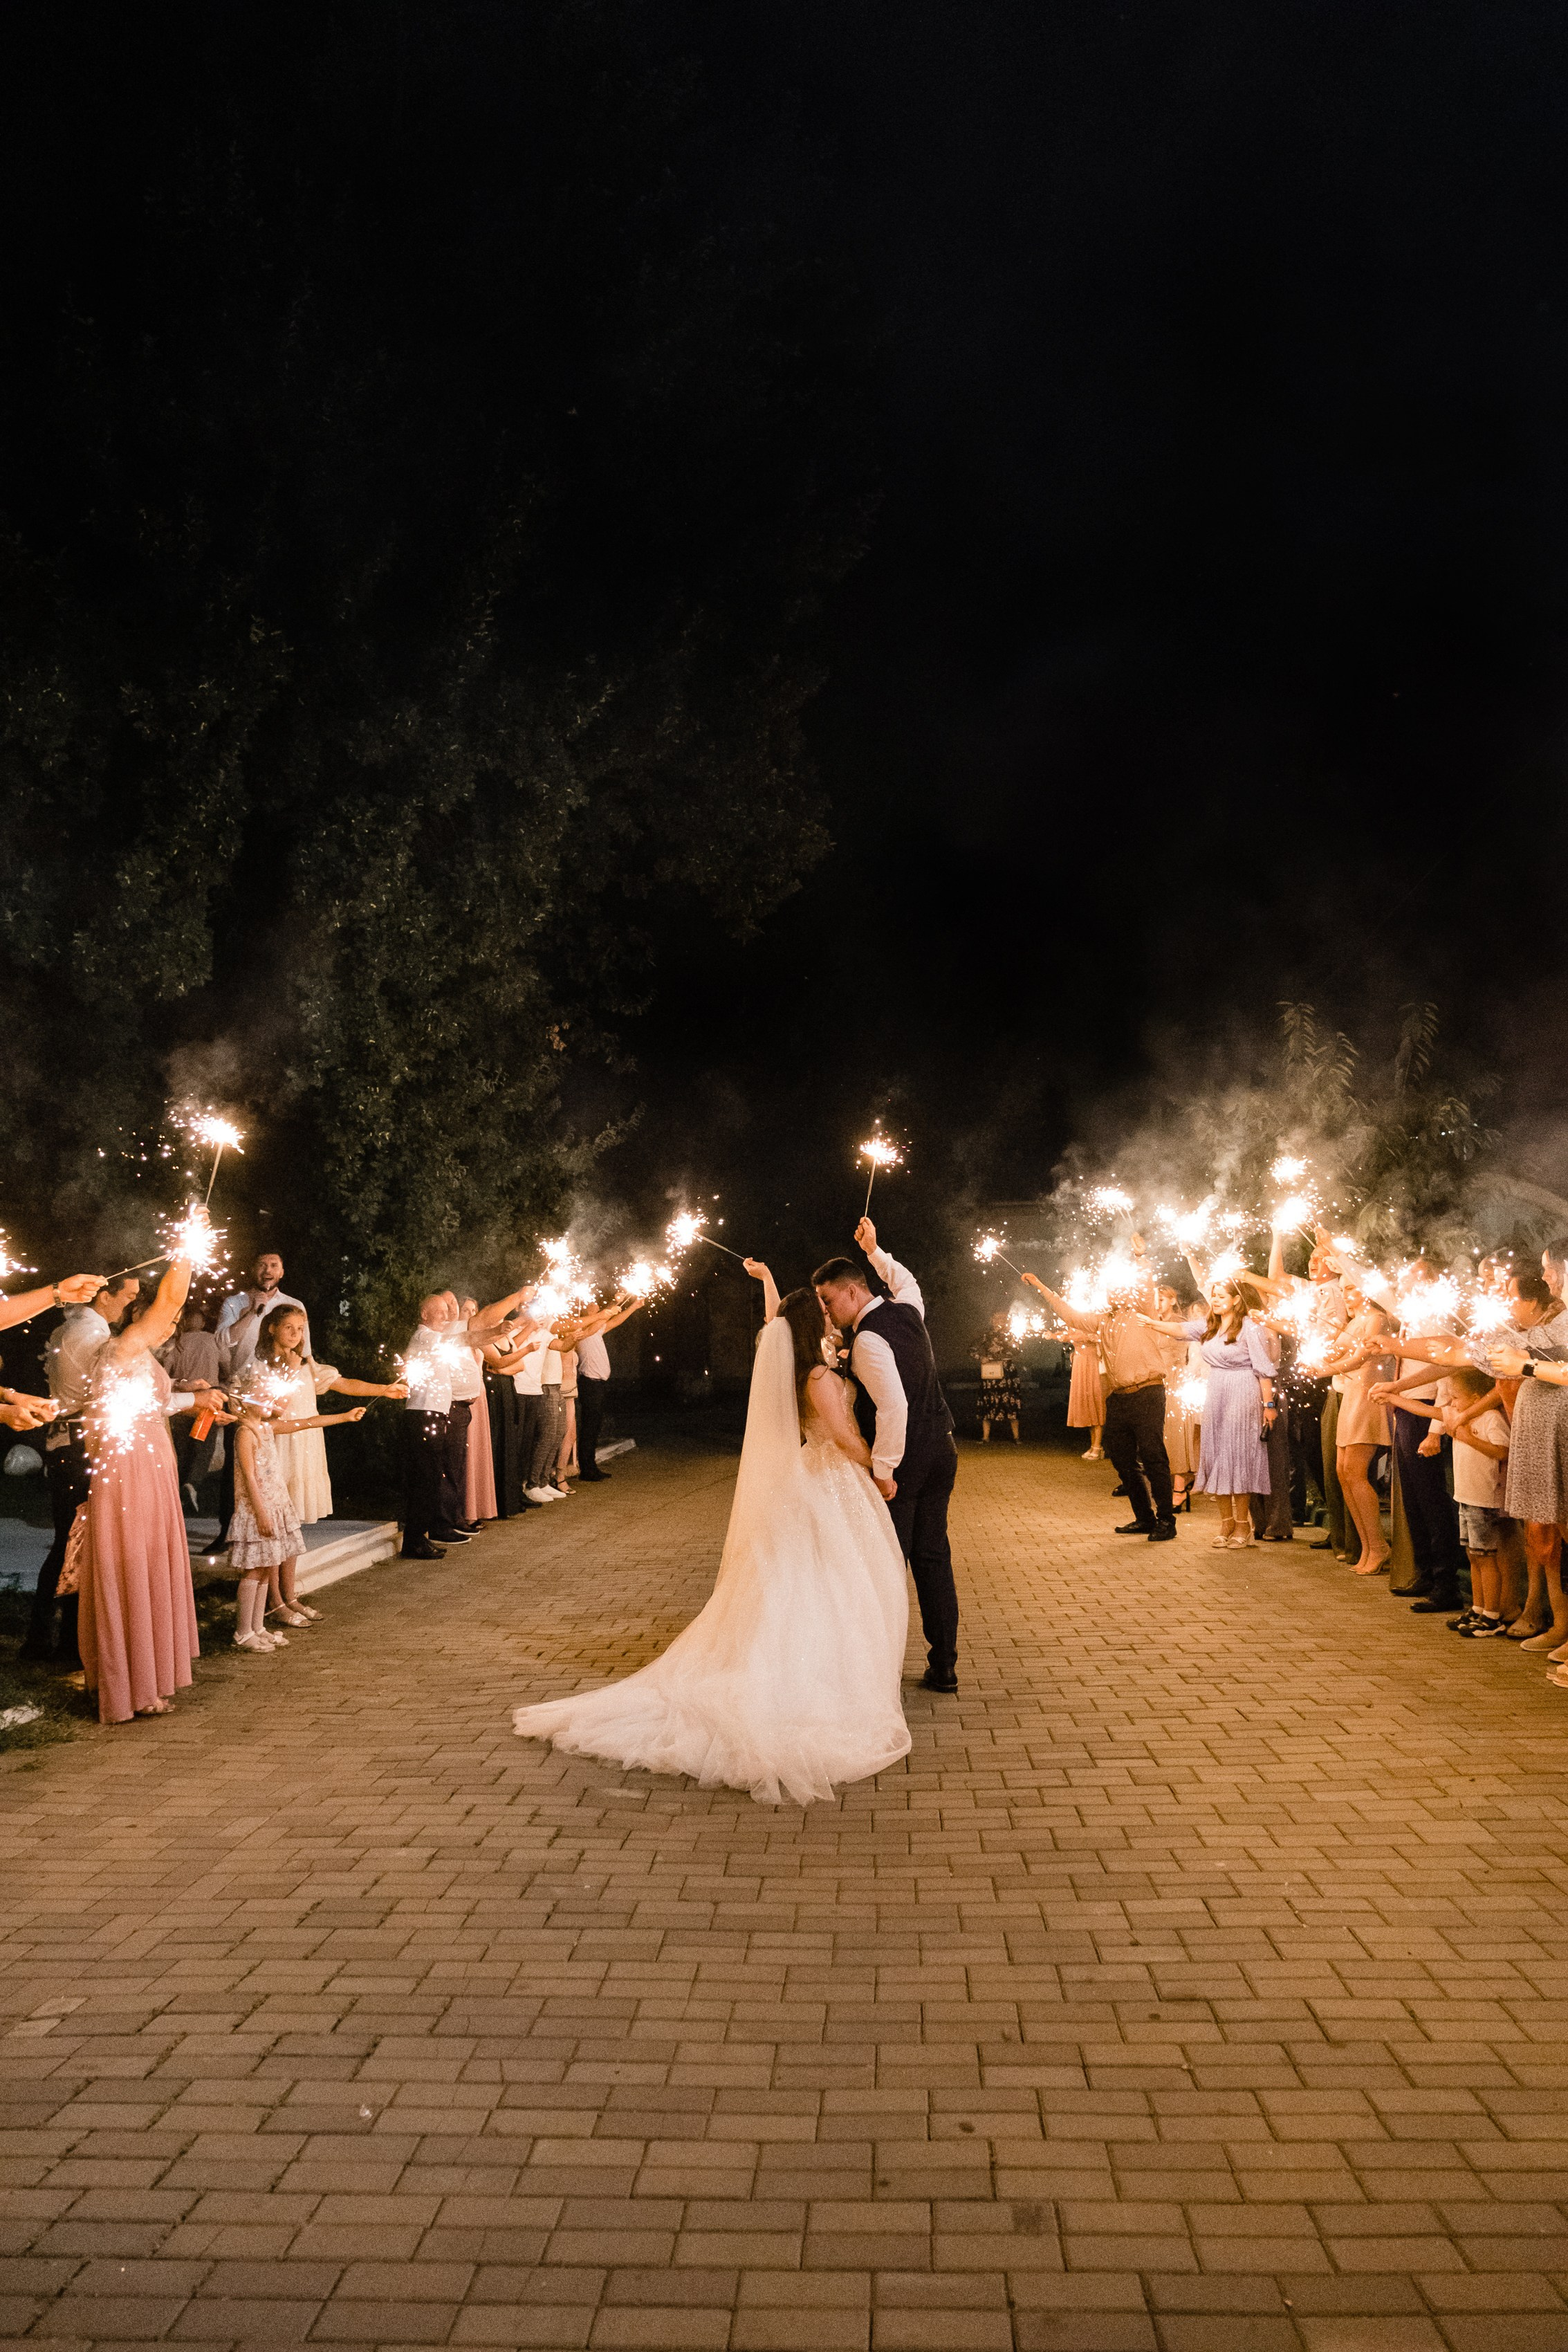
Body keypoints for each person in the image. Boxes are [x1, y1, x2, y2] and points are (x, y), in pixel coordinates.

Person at [513, 1267, 911, 1805]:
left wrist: (770, 1278)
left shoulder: (802, 1370)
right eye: (818, 1307)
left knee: (816, 1581)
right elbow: (841, 1437)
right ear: (807, 1323)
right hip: (833, 1480)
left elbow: (779, 1321)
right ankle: (815, 1682)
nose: (827, 1311)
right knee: (833, 1582)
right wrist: (881, 1466)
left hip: (817, 1481)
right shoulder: (819, 1377)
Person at [815, 1218, 961, 1692]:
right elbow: (908, 1281)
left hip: (907, 1464)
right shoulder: (907, 1311)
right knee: (934, 1558)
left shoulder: (868, 1340)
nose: (827, 1309)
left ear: (853, 1293)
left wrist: (882, 1470)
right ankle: (944, 1668)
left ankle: (877, 1672)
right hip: (943, 1448)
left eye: (828, 1299)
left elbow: (893, 1406)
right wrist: (877, 1252)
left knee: (888, 1563)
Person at [62, 1251, 201, 1722]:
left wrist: (199, 1401)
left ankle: (147, 1676)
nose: (171, 1322)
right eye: (165, 1316)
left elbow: (159, 1402)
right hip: (128, 1472)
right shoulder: (118, 1349)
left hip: (153, 1466)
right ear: (138, 1319)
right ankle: (129, 1686)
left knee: (151, 1567)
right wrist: (187, 1248)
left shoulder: (140, 1355)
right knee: (132, 1566)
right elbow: (168, 1300)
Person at [21, 1272, 142, 1663]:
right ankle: (59, 1641)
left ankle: (53, 1637)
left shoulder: (71, 1327)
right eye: (128, 1296)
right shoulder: (92, 1337)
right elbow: (112, 1394)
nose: (131, 1305)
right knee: (76, 1542)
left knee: (72, 1541)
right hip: (79, 1446)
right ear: (105, 1295)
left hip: (67, 1442)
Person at [1025, 1235, 1177, 1541]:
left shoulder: (1142, 1312)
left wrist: (1140, 1256)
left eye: (1119, 1286)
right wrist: (1041, 1287)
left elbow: (1147, 1282)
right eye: (1111, 1287)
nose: (1114, 1290)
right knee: (1121, 1458)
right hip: (1120, 1397)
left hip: (1148, 1393)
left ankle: (1166, 1521)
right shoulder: (1102, 1321)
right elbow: (1069, 1315)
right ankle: (1144, 1518)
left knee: (1153, 1456)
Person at [229, 1379, 367, 1648]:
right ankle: (243, 1632)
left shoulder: (267, 1429)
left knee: (268, 1569)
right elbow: (248, 1477)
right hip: (259, 1510)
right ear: (247, 1401)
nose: (271, 1398)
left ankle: (258, 1627)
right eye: (264, 1394)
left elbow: (307, 1423)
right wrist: (261, 1513)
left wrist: (346, 1417)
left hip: (275, 1506)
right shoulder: (245, 1433)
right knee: (255, 1571)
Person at [1141, 1277, 1276, 1549]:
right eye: (1213, 1296)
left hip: (1243, 1391)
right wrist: (1151, 1323)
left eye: (1221, 1296)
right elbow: (1179, 1328)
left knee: (1237, 1457)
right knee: (1217, 1456)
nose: (1214, 1300)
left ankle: (1242, 1525)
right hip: (1216, 1391)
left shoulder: (1251, 1328)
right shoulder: (1209, 1326)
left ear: (1237, 1300)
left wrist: (1269, 1406)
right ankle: (1225, 1522)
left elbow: (1264, 1370)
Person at [251, 1301, 405, 1534]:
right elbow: (270, 1411)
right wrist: (290, 1371)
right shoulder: (261, 1367)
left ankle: (288, 1560)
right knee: (276, 1503)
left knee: (296, 1514)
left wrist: (383, 1389)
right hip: (280, 1440)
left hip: (307, 1439)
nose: (295, 1334)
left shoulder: (306, 1364)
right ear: (272, 1328)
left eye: (300, 1328)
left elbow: (343, 1384)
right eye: (289, 1327)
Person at [205, 1252, 310, 1554]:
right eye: (262, 1265)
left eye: (274, 1265)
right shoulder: (235, 1303)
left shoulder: (295, 1306)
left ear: (282, 1271)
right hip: (241, 1393)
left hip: (276, 1392)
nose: (268, 1270)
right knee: (236, 1466)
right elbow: (222, 1342)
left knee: (273, 1464)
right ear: (253, 1269)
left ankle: (277, 1526)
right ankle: (230, 1531)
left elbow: (304, 1350)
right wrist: (253, 1312)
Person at [1488, 1271, 1568, 1657]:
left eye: (1552, 1270)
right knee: (1543, 1536)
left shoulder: (1556, 1327)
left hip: (1557, 1443)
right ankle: (1561, 1625)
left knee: (1555, 1535)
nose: (1550, 1278)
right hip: (1538, 1444)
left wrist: (1528, 1366)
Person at [1319, 1288, 1398, 1575]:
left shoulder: (1377, 1318)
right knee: (1344, 1472)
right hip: (1351, 1395)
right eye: (1344, 1291)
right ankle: (1367, 1546)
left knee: (1356, 1472)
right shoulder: (1353, 1322)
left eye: (1352, 1290)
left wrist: (1326, 1369)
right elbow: (1335, 1350)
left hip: (1368, 1396)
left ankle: (1377, 1545)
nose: (1346, 1296)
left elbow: (1363, 1356)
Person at [159, 1303, 225, 1514]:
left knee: (181, 1449)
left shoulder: (175, 1343)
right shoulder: (213, 1339)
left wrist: (179, 1382)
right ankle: (193, 1484)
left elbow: (165, 1374)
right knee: (203, 1447)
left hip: (182, 1401)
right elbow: (228, 1364)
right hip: (208, 1402)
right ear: (203, 1322)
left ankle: (177, 1489)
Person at [575, 1298, 642, 1481]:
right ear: (586, 1311)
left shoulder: (596, 1330)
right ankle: (587, 1469)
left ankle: (591, 1466)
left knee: (595, 1426)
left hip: (598, 1385)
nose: (596, 1304)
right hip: (590, 1383)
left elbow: (615, 1320)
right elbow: (606, 1316)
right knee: (589, 1427)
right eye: (593, 1304)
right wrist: (614, 1303)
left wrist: (633, 1306)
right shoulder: (582, 1330)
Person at [972, 1310, 1022, 1442]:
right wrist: (981, 1357)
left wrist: (1004, 1356)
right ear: (992, 1320)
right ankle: (985, 1437)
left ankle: (1016, 1437)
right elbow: (971, 1349)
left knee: (1010, 1403)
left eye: (1002, 1318)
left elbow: (1017, 1351)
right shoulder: (986, 1335)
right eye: (996, 1318)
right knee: (988, 1402)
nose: (999, 1321)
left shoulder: (1012, 1334)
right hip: (990, 1374)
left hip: (1007, 1374)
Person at [1064, 1329, 1105, 1459]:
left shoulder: (1091, 1326)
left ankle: (1098, 1446)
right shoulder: (1075, 1327)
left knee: (1095, 1405)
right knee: (1088, 1407)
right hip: (1081, 1366)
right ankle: (1094, 1445)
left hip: (1093, 1367)